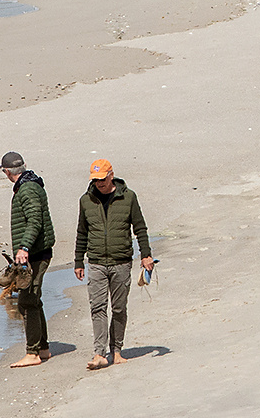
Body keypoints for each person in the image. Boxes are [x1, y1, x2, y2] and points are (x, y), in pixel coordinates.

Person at [75, 158, 154, 369]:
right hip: (97, 263)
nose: (99, 183)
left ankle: (116, 351)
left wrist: (146, 255)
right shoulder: (86, 200)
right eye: (95, 180)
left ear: (111, 175)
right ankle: (99, 353)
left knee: (118, 309)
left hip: (121, 262)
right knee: (98, 308)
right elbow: (82, 232)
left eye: (102, 179)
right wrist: (78, 261)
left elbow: (140, 228)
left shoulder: (128, 197)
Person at [3, 150, 56, 367]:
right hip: (35, 251)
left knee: (27, 300)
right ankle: (42, 348)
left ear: (7, 172)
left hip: (36, 252)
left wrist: (23, 247)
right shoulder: (29, 185)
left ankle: (33, 352)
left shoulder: (27, 189)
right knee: (33, 299)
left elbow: (35, 221)